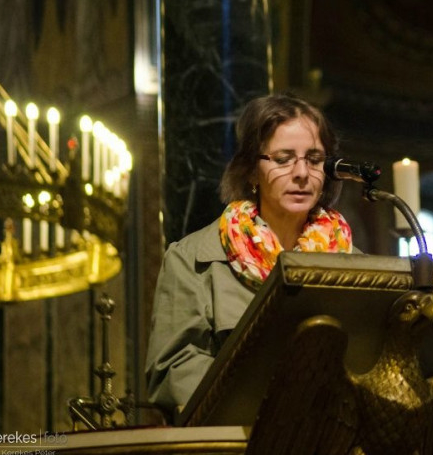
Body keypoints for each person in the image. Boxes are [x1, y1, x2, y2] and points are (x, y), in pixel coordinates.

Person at [145, 94, 354, 411]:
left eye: (314, 159)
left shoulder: (354, 264)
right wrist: (269, 403)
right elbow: (173, 369)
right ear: (252, 171)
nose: (301, 172)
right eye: (283, 159)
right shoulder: (193, 260)